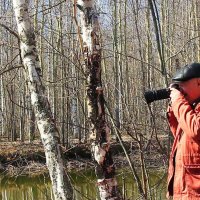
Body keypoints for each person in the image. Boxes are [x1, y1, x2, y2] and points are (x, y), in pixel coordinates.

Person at [167, 62, 200, 199]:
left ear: (198, 82)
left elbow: (196, 131)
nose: (179, 90)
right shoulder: (192, 108)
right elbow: (181, 137)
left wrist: (178, 101)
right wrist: (173, 108)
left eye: (182, 84)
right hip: (184, 192)